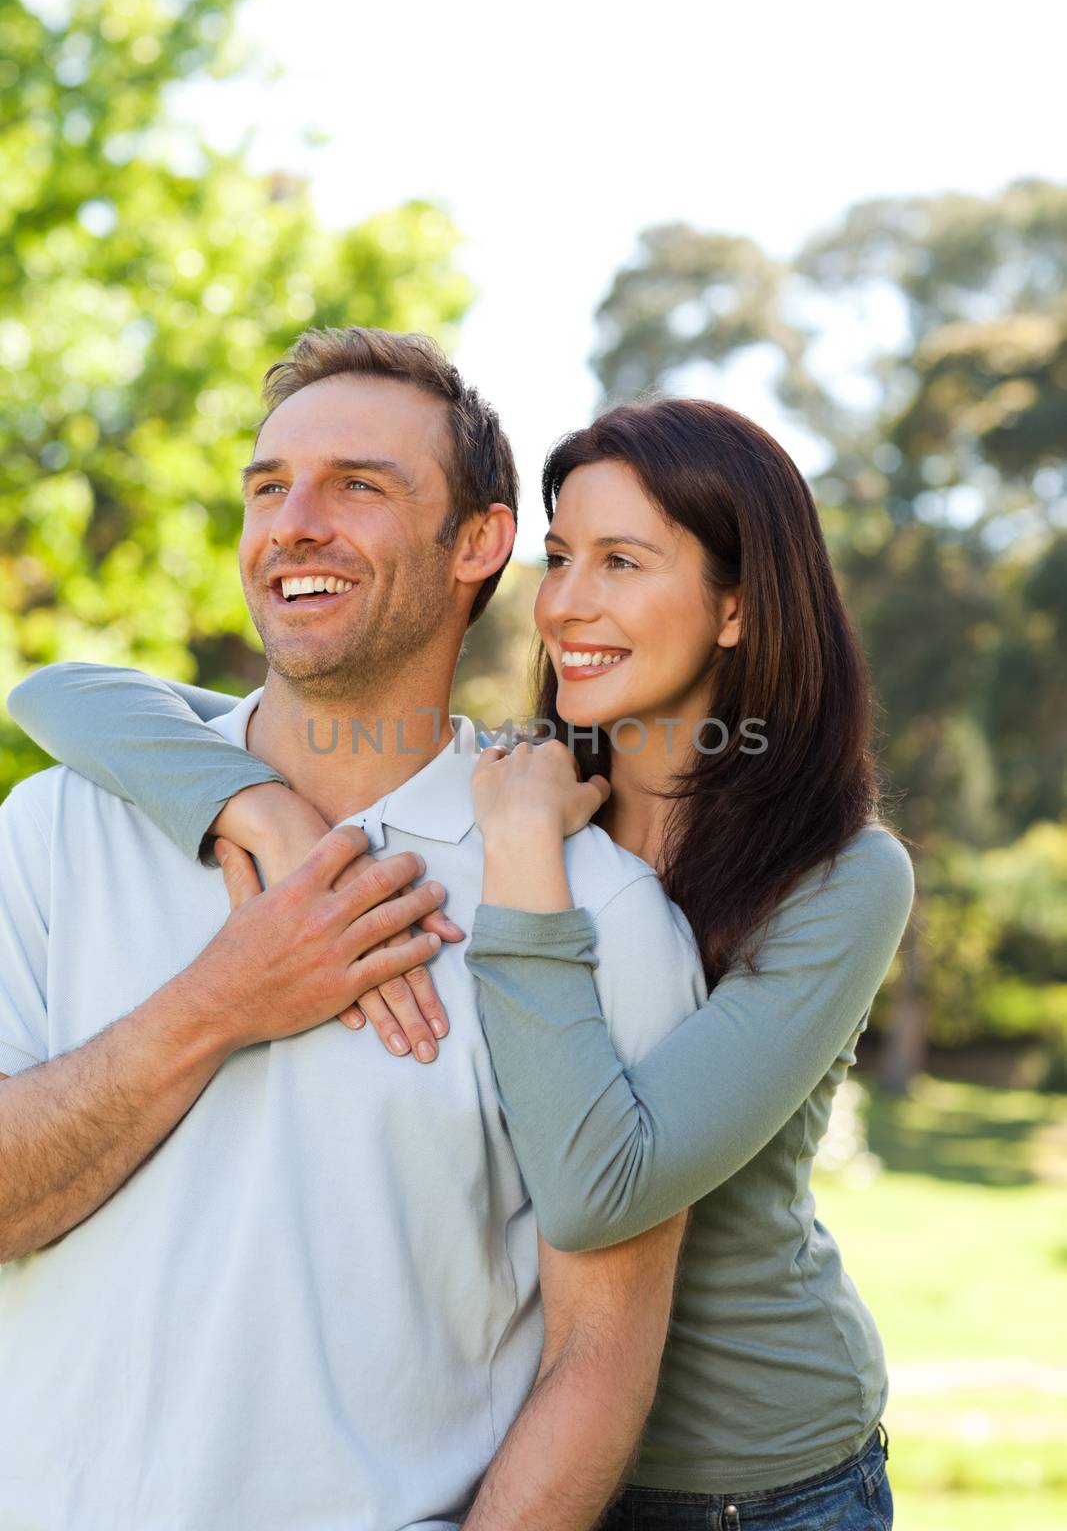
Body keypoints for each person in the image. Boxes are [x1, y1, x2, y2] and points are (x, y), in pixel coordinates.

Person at [8, 389, 915, 1529]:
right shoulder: (516, 780)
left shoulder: (832, 874)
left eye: (622, 561)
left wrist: (529, 863)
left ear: (735, 609)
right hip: (529, 1455)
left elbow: (596, 1190)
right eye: (560, 557)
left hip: (744, 1479)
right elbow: (66, 694)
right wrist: (258, 806)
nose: (568, 604)